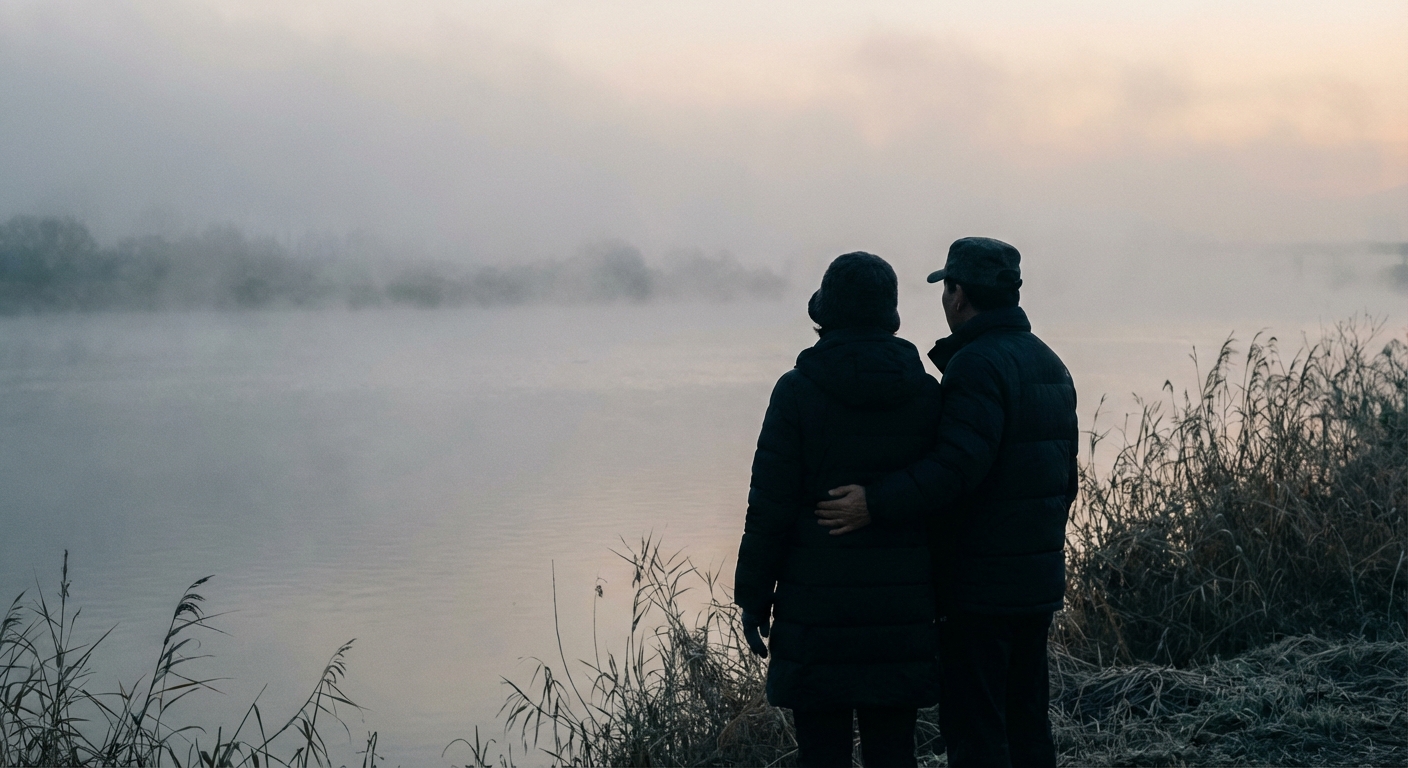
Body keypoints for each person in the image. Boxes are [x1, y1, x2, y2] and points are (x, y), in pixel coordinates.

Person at [814, 237, 1079, 768]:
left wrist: (875, 502)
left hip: (982, 589)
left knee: (977, 729)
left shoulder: (976, 366)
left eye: (946, 288)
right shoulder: (1047, 360)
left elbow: (956, 469)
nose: (944, 300)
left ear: (959, 295)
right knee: (1027, 721)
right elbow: (1063, 478)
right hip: (1035, 580)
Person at [734, 251, 943, 768]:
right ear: (890, 317)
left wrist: (754, 598)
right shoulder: (926, 394)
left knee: (822, 756)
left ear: (824, 315)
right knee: (894, 754)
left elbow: (769, 508)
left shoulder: (797, 393)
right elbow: (943, 496)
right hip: (901, 610)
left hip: (815, 614)